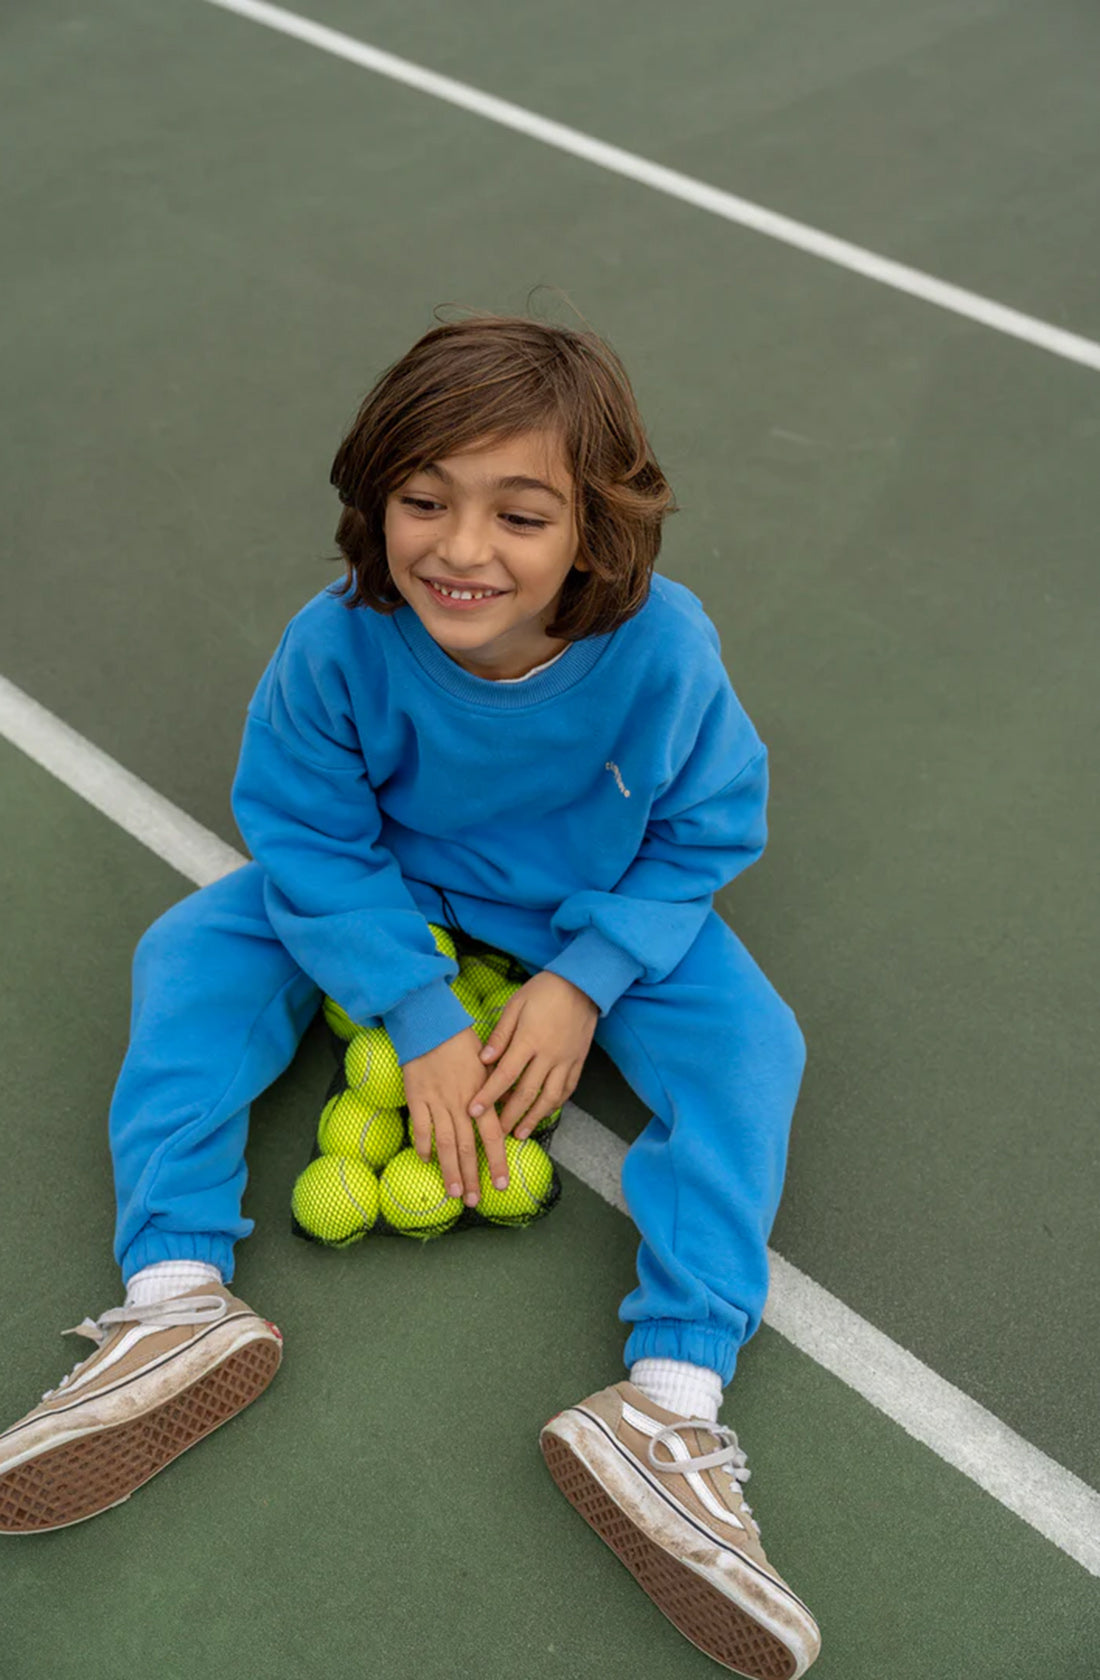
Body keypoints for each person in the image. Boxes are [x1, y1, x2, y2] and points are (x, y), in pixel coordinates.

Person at [0, 312, 819, 1678]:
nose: (460, 549)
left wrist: (580, 984)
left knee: (754, 1047)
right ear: (373, 500)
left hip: (581, 909)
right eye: (423, 501)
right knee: (190, 956)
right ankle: (174, 1299)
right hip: (389, 883)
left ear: (595, 531)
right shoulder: (336, 648)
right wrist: (418, 1015)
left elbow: (711, 830)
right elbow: (307, 833)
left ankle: (668, 1405)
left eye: (520, 513)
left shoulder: (666, 653)